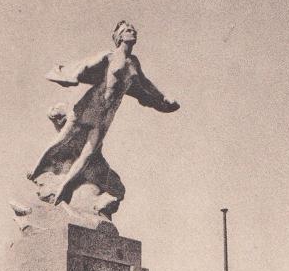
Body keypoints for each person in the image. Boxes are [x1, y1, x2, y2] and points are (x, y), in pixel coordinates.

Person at [28, 20, 180, 206]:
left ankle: (64, 188)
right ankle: (36, 168)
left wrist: (163, 99)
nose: (132, 32)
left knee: (88, 155)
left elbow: (146, 84)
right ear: (120, 36)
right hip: (90, 106)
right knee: (62, 140)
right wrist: (69, 76)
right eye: (127, 30)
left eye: (133, 30)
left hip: (105, 116)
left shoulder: (134, 63)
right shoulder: (110, 56)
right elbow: (85, 65)